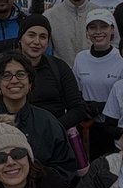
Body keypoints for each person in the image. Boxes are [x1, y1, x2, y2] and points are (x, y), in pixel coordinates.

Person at [0, 53, 77, 184]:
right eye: (6, 76)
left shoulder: (48, 122)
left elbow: (65, 168)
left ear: (30, 83)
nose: (14, 80)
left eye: (21, 75)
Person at [9, 16, 90, 147]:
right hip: (17, 140)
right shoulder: (6, 69)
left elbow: (78, 108)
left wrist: (52, 128)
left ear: (47, 42)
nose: (36, 42)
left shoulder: (58, 67)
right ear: (20, 38)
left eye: (42, 37)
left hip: (55, 139)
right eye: (31, 35)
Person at [72, 8, 123, 111]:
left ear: (112, 29)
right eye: (93, 27)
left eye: (104, 27)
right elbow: (76, 93)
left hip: (114, 123)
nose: (98, 32)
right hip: (87, 123)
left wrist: (103, 107)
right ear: (87, 31)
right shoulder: (80, 58)